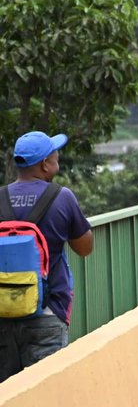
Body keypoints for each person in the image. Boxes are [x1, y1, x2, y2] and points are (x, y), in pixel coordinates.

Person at [0, 132, 93, 382]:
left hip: (3, 313)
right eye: (55, 155)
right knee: (47, 395)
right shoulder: (62, 197)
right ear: (44, 164)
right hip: (47, 313)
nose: (58, 159)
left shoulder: (0, 198)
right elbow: (85, 248)